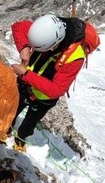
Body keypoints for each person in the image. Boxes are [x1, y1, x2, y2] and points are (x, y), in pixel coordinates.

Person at [8, 14, 91, 152]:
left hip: (42, 98)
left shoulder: (75, 57)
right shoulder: (47, 29)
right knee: (13, 108)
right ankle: (6, 129)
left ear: (54, 46)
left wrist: (25, 74)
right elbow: (19, 26)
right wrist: (24, 47)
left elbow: (56, 89)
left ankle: (20, 139)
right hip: (24, 85)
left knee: (30, 121)